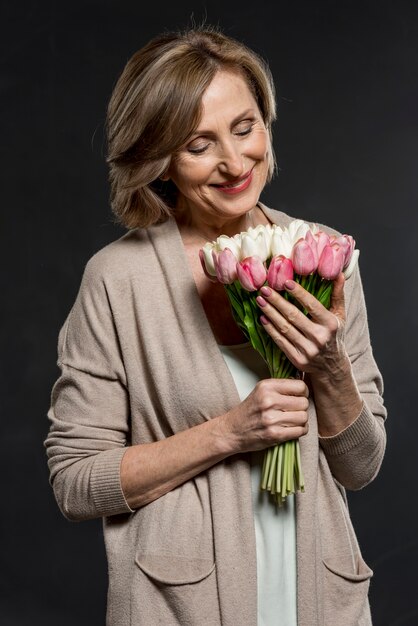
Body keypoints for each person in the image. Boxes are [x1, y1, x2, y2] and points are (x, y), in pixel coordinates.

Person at [45, 27, 386, 626]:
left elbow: (362, 467)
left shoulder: (323, 254)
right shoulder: (117, 280)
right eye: (198, 145)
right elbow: (75, 483)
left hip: (320, 600)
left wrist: (329, 368)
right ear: (160, 161)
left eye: (245, 127)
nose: (234, 163)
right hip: (178, 606)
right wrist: (229, 433)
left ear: (266, 123)